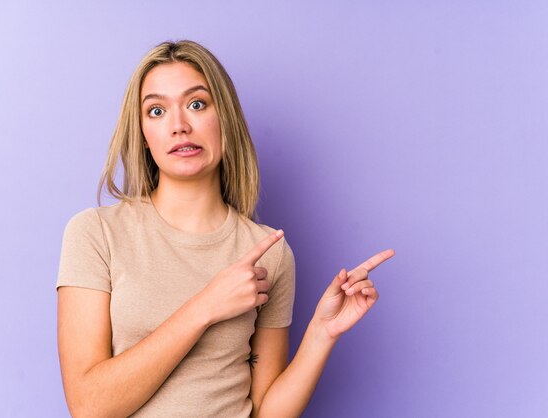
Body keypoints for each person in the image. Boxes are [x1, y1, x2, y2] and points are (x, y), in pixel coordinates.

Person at [56, 40, 394, 418]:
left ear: (225, 118)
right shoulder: (96, 233)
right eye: (156, 110)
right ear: (143, 135)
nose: (180, 125)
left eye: (197, 104)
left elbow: (268, 411)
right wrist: (206, 306)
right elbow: (88, 406)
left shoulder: (270, 251)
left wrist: (321, 332)